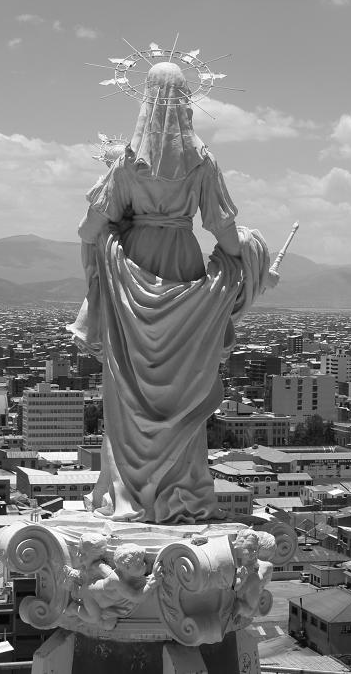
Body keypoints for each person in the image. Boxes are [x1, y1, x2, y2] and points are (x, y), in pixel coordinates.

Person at [68, 61, 276, 524]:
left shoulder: (126, 163)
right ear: (187, 103)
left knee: (126, 387)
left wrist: (106, 247)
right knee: (184, 382)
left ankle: (128, 489)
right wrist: (249, 261)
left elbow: (89, 228)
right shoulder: (202, 161)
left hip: (132, 270)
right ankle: (179, 489)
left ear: (144, 101)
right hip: (182, 259)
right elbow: (224, 230)